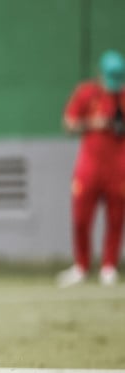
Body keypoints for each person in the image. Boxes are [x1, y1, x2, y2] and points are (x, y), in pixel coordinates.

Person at [57, 49, 125, 288]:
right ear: (100, 74)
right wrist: (94, 123)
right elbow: (68, 124)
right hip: (89, 168)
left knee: (116, 219)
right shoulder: (87, 93)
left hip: (118, 168)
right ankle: (82, 265)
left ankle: (109, 266)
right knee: (81, 219)